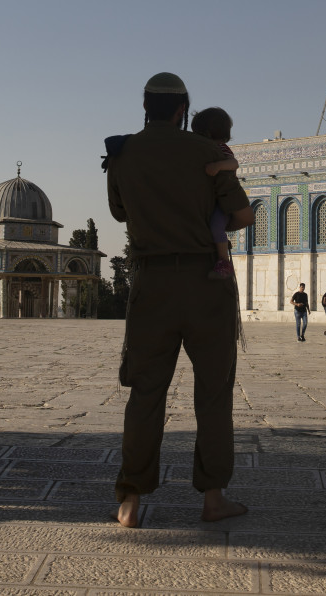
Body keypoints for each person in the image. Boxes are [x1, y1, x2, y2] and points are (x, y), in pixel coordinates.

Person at [105, 72, 255, 528]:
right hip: (206, 283)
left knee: (145, 392)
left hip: (151, 283)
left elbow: (119, 212)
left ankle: (129, 499)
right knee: (213, 393)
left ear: (145, 105)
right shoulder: (209, 153)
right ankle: (213, 498)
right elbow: (240, 216)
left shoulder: (122, 153)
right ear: (182, 109)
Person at [190, 107, 240, 280]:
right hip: (214, 200)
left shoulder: (221, 149)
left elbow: (234, 164)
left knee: (216, 227)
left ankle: (224, 263)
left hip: (223, 202)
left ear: (207, 133)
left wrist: (218, 166)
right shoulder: (207, 149)